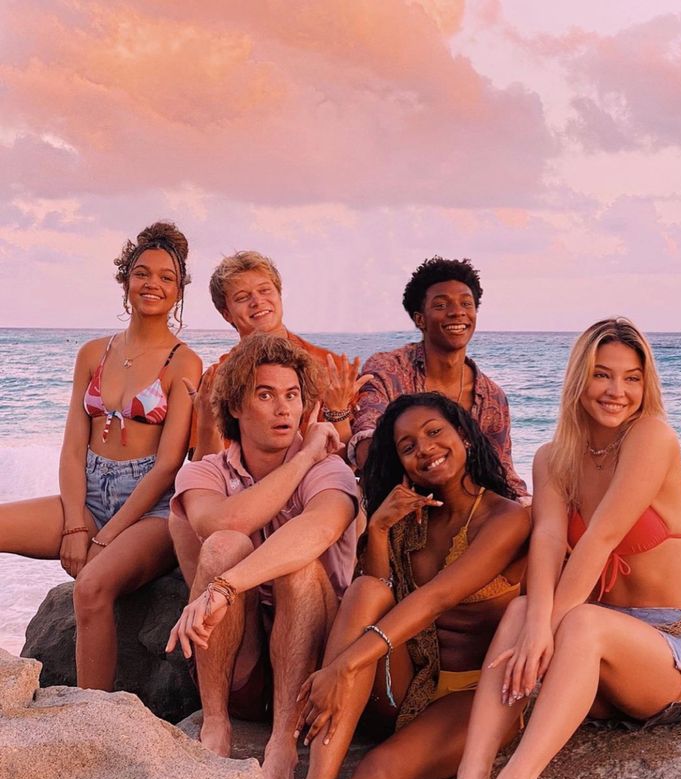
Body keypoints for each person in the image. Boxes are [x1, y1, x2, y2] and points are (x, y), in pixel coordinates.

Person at [418, 317, 681, 779]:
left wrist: (551, 627)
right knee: (522, 614)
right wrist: (536, 623)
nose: (617, 391)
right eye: (603, 375)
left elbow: (601, 538)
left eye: (632, 378)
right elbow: (547, 545)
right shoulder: (554, 457)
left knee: (573, 619)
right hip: (598, 671)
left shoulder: (653, 437)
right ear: (579, 378)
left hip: (675, 656)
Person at [233, 392, 530, 779]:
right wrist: (379, 529)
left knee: (382, 769)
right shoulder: (413, 513)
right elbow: (374, 592)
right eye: (409, 445)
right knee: (368, 590)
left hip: (474, 696)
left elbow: (438, 598)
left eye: (436, 432)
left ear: (464, 433)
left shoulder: (508, 519)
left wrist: (341, 668)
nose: (426, 449)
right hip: (406, 681)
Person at [165, 334, 360, 779]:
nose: (283, 409)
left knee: (299, 564)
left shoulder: (331, 469)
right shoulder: (205, 472)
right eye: (265, 394)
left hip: (314, 664)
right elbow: (221, 526)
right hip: (241, 660)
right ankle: (215, 725)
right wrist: (300, 458)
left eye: (292, 395)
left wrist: (224, 587)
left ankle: (281, 749)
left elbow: (321, 528)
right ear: (236, 404)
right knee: (224, 546)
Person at [0, 221, 202, 690]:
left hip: (150, 510)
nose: (152, 283)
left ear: (178, 291)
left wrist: (106, 537)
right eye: (141, 272)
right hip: (88, 495)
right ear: (125, 280)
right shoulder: (94, 352)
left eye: (166, 277)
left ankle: (94, 720)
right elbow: (73, 447)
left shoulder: (184, 362)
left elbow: (171, 464)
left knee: (91, 588)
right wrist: (75, 524)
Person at [348, 256, 526, 499]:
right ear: (420, 319)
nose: (457, 313)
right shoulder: (389, 369)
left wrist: (528, 511)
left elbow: (502, 470)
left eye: (466, 304)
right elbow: (367, 435)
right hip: (396, 501)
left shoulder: (492, 397)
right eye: (441, 305)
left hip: (465, 512)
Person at [189, 250, 368, 460]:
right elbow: (204, 470)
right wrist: (208, 425)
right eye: (242, 297)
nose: (257, 301)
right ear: (226, 313)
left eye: (265, 290)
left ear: (279, 295)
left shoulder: (333, 369)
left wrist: (338, 412)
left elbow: (350, 463)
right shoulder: (216, 381)